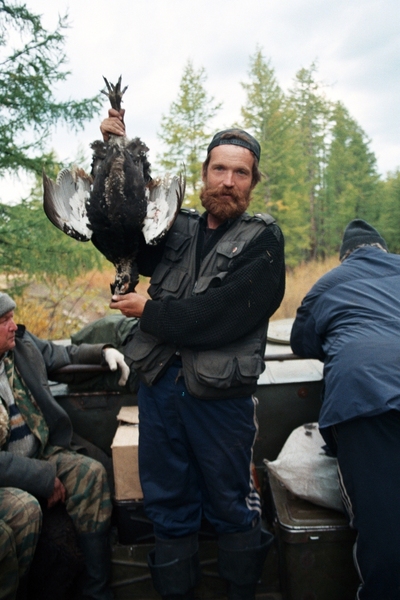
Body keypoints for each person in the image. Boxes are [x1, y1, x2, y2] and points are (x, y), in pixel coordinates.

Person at [100, 110, 286, 600]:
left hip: (220, 402)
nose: (228, 181)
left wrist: (150, 311)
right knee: (167, 506)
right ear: (204, 173)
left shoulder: (264, 240)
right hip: (161, 393)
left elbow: (221, 315)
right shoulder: (172, 225)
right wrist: (114, 154)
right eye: (219, 169)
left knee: (231, 505)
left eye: (240, 173)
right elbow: (119, 233)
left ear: (252, 182)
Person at [290, 219, 400, 600]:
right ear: (383, 249)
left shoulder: (328, 283)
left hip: (363, 400)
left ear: (345, 256)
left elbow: (301, 342)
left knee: (384, 532)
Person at [0, 292, 130, 600]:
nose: (13, 326)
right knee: (25, 510)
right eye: (4, 321)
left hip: (40, 451)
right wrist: (41, 478)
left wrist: (103, 352)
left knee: (92, 474)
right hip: (10, 472)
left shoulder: (21, 347)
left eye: (12, 318)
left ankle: (96, 592)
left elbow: (61, 353)